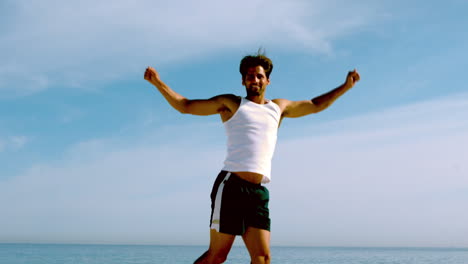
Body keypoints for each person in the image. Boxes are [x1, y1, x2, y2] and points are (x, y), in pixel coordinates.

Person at [144, 52, 360, 264]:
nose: (254, 80)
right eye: (249, 76)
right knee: (217, 256)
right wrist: (158, 83)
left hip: (258, 193)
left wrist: (346, 87)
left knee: (262, 258)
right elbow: (186, 106)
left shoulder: (279, 108)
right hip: (231, 186)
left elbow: (315, 105)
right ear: (243, 80)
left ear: (267, 79)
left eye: (259, 76)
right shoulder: (231, 104)